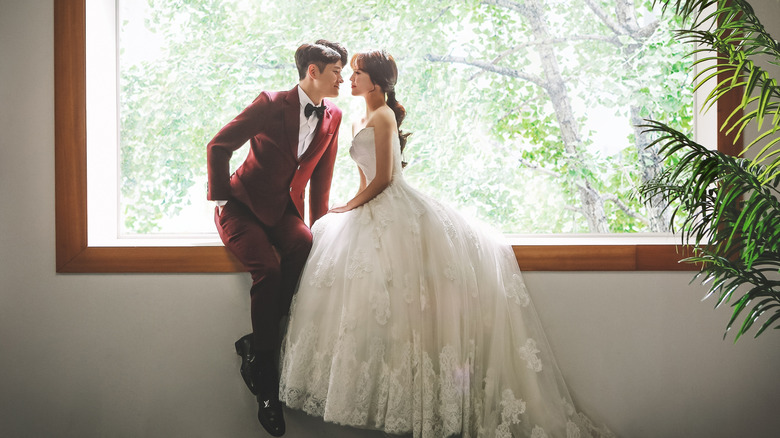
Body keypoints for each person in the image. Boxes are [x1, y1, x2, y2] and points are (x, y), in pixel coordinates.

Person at [279, 50, 615, 438]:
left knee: (411, 305)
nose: (349, 79)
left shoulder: (384, 116)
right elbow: (363, 178)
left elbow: (386, 178)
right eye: (350, 73)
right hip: (370, 204)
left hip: (394, 205)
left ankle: (426, 401)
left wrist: (350, 205)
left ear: (376, 81)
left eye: (357, 73)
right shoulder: (357, 117)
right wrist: (348, 208)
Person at [206, 39, 347, 437]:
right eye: (336, 70)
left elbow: (322, 179)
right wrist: (220, 198)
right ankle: (265, 378)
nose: (342, 77)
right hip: (241, 205)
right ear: (313, 71)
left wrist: (319, 228)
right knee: (267, 268)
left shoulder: (332, 115)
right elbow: (218, 145)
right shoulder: (270, 103)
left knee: (303, 246)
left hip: (283, 212)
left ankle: (256, 342)